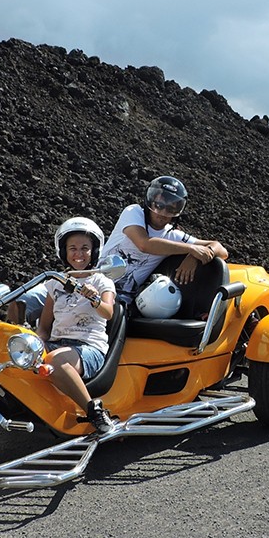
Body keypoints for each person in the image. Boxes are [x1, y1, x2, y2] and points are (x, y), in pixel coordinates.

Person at [37, 217, 118, 433]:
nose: (79, 254)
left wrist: (95, 300)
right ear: (64, 251)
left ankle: (95, 412)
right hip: (57, 344)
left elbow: (108, 313)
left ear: (94, 251)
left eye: (85, 248)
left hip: (88, 349)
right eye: (73, 248)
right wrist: (35, 343)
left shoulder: (102, 281)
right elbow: (44, 327)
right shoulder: (55, 282)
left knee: (55, 359)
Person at [100, 175, 228, 308]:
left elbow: (221, 250)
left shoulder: (173, 236)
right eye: (159, 206)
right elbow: (144, 244)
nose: (162, 213)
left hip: (123, 302)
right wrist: (191, 249)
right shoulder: (134, 213)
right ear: (150, 201)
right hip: (95, 284)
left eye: (170, 209)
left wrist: (195, 257)